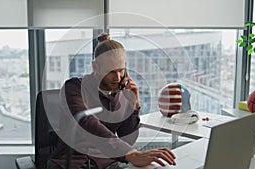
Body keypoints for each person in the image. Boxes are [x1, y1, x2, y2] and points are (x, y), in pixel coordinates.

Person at [48, 33, 176, 169]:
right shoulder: (73, 87)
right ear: (95, 67)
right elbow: (87, 122)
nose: (118, 77)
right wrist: (130, 154)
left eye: (121, 71)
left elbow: (127, 139)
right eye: (111, 72)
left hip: (107, 163)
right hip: (73, 162)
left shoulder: (122, 94)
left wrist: (134, 106)